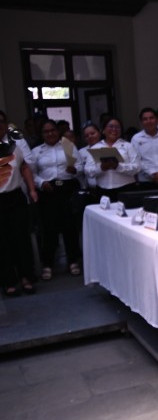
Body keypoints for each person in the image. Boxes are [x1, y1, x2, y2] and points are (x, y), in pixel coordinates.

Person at [28, 119, 83, 279]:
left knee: (69, 227)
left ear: (58, 131)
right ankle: (48, 264)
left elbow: (80, 167)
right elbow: (31, 173)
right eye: (46, 131)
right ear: (42, 134)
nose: (50, 133)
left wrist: (74, 170)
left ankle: (73, 261)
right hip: (48, 191)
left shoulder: (68, 146)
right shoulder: (36, 151)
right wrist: (41, 183)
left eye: (52, 130)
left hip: (67, 189)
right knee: (49, 228)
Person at [0, 110, 38, 296]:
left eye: (1, 121)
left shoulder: (15, 144)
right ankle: (8, 281)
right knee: (2, 242)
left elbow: (24, 168)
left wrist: (32, 189)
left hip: (15, 197)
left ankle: (26, 277)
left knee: (21, 238)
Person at [83, 117, 141, 201]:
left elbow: (137, 167)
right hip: (102, 190)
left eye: (117, 127)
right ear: (103, 130)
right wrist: (101, 168)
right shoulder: (95, 148)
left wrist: (118, 167)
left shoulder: (128, 146)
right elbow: (88, 171)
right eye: (111, 126)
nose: (114, 129)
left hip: (126, 188)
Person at [131, 107, 158, 188]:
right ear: (141, 122)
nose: (149, 121)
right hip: (145, 181)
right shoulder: (136, 139)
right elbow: (137, 160)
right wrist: (152, 173)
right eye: (145, 119)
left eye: (151, 118)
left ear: (157, 120)